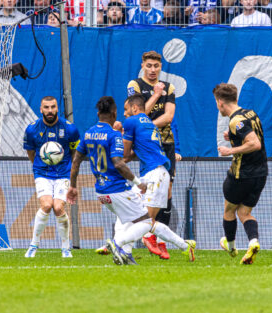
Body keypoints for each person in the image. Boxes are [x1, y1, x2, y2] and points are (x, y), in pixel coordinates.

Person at [67, 96, 196, 265]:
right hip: (142, 178)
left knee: (131, 219)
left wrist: (72, 186)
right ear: (113, 113)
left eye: (126, 110)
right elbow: (121, 160)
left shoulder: (90, 132)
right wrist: (136, 180)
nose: (124, 115)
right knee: (146, 222)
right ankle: (117, 243)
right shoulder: (147, 122)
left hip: (111, 186)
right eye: (121, 112)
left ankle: (127, 252)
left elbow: (77, 160)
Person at [127, 51, 178, 260]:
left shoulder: (169, 87)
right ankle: (142, 233)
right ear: (143, 65)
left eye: (156, 66)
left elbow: (168, 116)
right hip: (146, 144)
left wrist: (146, 125)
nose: (153, 70)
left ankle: (161, 240)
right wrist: (155, 95)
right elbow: (137, 113)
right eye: (149, 66)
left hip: (165, 142)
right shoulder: (135, 85)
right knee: (145, 189)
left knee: (166, 193)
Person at [213, 83, 268, 265]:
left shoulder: (235, 121)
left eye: (216, 102)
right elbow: (251, 134)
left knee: (229, 210)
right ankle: (253, 242)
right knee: (244, 213)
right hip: (260, 173)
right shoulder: (250, 113)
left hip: (241, 174)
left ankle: (230, 246)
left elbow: (254, 143)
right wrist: (234, 137)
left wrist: (230, 150)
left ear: (220, 102)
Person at [23, 96, 80, 258]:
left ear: (57, 108)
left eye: (53, 107)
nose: (49, 111)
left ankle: (65, 248)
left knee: (58, 207)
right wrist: (39, 166)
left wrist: (71, 172)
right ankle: (33, 245)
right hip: (42, 172)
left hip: (63, 173)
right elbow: (31, 152)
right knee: (47, 205)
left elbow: (75, 152)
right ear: (40, 109)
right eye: (46, 107)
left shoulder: (70, 129)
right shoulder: (32, 129)